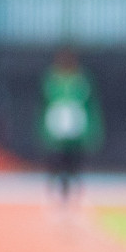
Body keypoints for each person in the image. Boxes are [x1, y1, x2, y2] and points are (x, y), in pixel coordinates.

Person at [38, 48, 101, 207]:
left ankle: (73, 197)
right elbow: (44, 106)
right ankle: (56, 196)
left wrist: (91, 130)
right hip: (57, 131)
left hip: (74, 131)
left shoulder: (81, 81)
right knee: (56, 164)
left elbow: (90, 106)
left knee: (74, 165)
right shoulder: (52, 80)